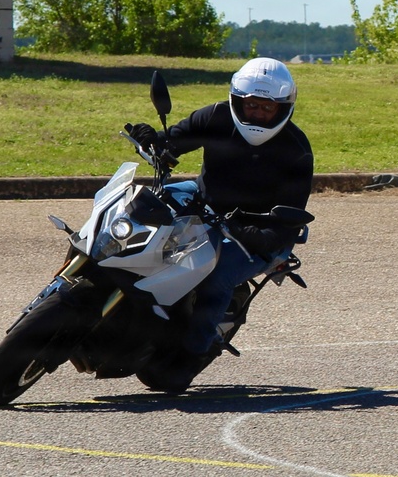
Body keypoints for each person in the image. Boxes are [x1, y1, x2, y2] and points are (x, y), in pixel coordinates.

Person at [127, 57, 313, 388]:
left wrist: (262, 235)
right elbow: (175, 141)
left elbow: (291, 215)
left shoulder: (296, 149)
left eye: (267, 108)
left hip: (259, 230)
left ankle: (191, 354)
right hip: (207, 203)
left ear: (283, 108)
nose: (258, 113)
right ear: (237, 100)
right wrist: (153, 140)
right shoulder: (215, 117)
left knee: (219, 275)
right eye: (252, 105)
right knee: (139, 207)